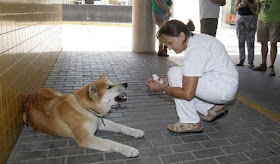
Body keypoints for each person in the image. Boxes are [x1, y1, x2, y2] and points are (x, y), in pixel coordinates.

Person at [146, 20, 239, 133]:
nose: (169, 48)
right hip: (224, 84)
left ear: (182, 36)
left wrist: (162, 89)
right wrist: (170, 82)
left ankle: (190, 122)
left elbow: (188, 94)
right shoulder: (198, 40)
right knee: (176, 76)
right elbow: (194, 74)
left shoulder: (195, 50)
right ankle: (211, 108)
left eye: (170, 43)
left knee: (174, 72)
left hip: (221, 89)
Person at [252, 0, 280, 76]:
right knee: (263, 43)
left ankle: (271, 67)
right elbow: (256, 6)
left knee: (273, 44)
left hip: (275, 20)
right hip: (262, 20)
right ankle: (263, 64)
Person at [234, 0, 257, 68]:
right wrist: (239, 6)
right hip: (240, 19)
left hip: (251, 20)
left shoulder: (253, 0)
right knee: (241, 41)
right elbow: (235, 10)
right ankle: (241, 59)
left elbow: (256, 9)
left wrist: (249, 4)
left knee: (250, 42)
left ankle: (250, 61)